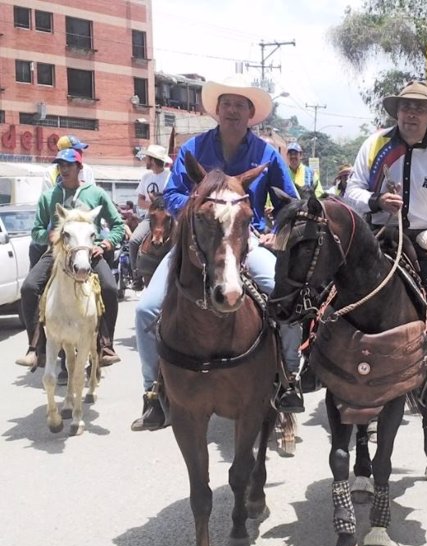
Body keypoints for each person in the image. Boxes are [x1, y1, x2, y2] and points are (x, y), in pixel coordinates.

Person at [131, 78, 303, 431]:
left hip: (244, 241)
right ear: (218, 109)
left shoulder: (267, 154)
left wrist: (277, 230)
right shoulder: (194, 148)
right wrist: (199, 207)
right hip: (196, 241)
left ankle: (288, 378)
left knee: (284, 297)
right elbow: (174, 194)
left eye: (241, 105)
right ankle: (153, 393)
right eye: (227, 104)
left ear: (250, 114)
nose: (233, 110)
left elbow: (289, 199)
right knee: (146, 309)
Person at [345, 80, 427, 409]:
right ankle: (318, 370)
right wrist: (376, 201)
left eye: (419, 108)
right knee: (333, 297)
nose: (412, 114)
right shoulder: (374, 145)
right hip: (377, 241)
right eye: (406, 107)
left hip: (425, 244)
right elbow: (351, 192)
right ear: (397, 111)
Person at [16, 149, 124, 375]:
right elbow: (36, 229)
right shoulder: (49, 197)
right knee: (28, 288)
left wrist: (104, 245)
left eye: (69, 165)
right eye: (60, 165)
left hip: (89, 253)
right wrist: (50, 237)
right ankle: (36, 348)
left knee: (109, 288)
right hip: (57, 253)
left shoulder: (96, 194)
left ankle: (106, 346)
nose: (63, 169)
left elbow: (118, 225)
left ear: (79, 168)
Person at [30, 135, 95, 267]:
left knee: (107, 245)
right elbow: (47, 199)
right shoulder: (50, 172)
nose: (81, 153)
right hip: (59, 221)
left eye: (80, 151)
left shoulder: (87, 170)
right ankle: (36, 281)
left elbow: (93, 196)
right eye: (77, 150)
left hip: (83, 220)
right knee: (35, 247)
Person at [129, 144, 172, 290]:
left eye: (147, 158)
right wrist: (154, 207)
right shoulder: (146, 177)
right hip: (150, 217)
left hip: (169, 217)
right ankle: (136, 275)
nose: (145, 160)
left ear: (152, 160)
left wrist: (161, 207)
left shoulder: (170, 176)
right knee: (134, 241)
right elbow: (140, 201)